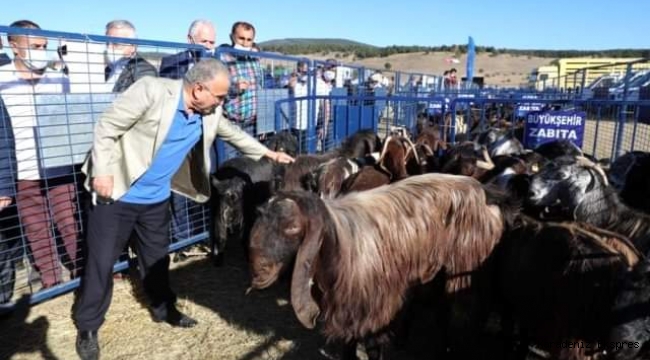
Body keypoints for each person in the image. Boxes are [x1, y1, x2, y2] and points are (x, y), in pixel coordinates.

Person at [72, 58, 294, 360]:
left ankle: (164, 309)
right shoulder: (152, 91)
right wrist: (102, 172)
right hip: (118, 193)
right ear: (198, 88)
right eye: (219, 95)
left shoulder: (209, 112)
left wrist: (268, 153)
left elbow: (233, 134)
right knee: (101, 262)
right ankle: (88, 327)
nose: (222, 101)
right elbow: (107, 126)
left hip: (155, 199)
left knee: (157, 258)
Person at [0, 20, 79, 289]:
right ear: (13, 46)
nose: (41, 51)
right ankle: (50, 280)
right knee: (36, 228)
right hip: (22, 169)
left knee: (69, 222)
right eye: (35, 46)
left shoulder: (59, 79)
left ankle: (80, 270)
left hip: (58, 167)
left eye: (44, 46)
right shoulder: (1, 80)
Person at [159, 19, 217, 251]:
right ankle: (183, 241)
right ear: (190, 39)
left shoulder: (217, 65)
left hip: (205, 139)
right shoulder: (172, 63)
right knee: (179, 191)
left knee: (203, 186)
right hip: (178, 141)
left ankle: (203, 233)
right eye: (204, 41)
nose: (209, 46)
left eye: (212, 42)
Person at [103, 20, 157, 93]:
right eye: (107, 42)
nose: (109, 47)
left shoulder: (144, 71)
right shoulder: (109, 68)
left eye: (116, 43)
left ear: (133, 45)